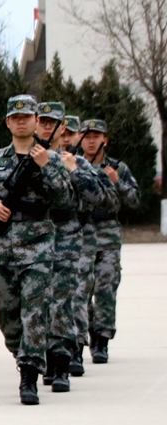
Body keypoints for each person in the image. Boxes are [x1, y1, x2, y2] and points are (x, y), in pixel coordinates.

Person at [0, 95, 72, 405]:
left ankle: (29, 375)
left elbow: (65, 198)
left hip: (38, 245)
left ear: (36, 121)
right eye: (15, 117)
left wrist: (46, 166)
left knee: (33, 311)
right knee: (8, 318)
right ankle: (24, 354)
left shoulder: (51, 159)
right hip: (2, 246)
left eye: (27, 116)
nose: (21, 121)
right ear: (8, 122)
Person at [34, 103, 113, 392]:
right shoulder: (26, 159)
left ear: (64, 129)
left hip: (68, 238)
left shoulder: (77, 163)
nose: (48, 127)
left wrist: (74, 171)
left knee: (67, 300)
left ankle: (66, 357)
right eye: (43, 121)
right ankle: (44, 355)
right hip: (34, 239)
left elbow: (99, 198)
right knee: (39, 303)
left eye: (54, 123)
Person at [78, 118, 141, 364]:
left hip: (108, 236)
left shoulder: (118, 167)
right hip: (81, 235)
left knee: (106, 290)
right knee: (81, 290)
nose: (91, 141)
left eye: (96, 136)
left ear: (105, 140)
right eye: (87, 136)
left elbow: (135, 200)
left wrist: (117, 182)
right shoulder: (75, 164)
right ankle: (88, 333)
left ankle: (102, 340)